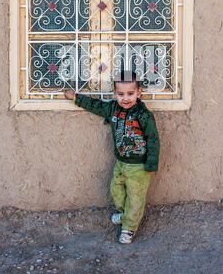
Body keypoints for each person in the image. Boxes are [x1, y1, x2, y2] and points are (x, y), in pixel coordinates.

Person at [64, 70, 160, 244]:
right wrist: (76, 98)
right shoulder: (112, 109)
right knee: (116, 190)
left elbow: (153, 138)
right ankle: (125, 215)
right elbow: (95, 105)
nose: (125, 98)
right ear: (114, 93)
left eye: (130, 94)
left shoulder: (144, 115)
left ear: (139, 93)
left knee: (135, 198)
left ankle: (129, 228)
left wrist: (151, 163)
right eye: (121, 94)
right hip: (121, 163)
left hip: (139, 166)